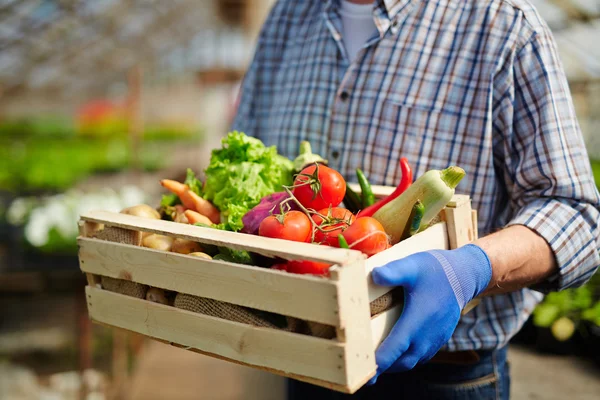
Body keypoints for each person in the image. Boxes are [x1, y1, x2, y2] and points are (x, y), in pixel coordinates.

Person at [232, 0, 600, 398]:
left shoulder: (505, 24)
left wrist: (469, 271)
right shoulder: (288, 16)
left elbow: (577, 215)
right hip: (304, 361)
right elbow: (251, 161)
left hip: (443, 378)